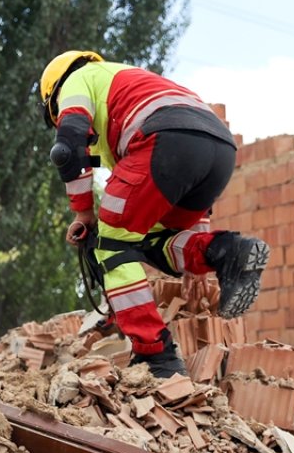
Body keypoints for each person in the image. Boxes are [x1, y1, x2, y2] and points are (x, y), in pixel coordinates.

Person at [38, 50, 269, 378]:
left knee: (111, 244)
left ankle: (156, 355)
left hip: (164, 139)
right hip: (217, 149)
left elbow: (68, 149)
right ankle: (227, 252)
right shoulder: (129, 82)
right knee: (148, 239)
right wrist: (197, 262)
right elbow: (177, 159)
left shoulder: (76, 80)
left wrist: (84, 215)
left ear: (52, 95)